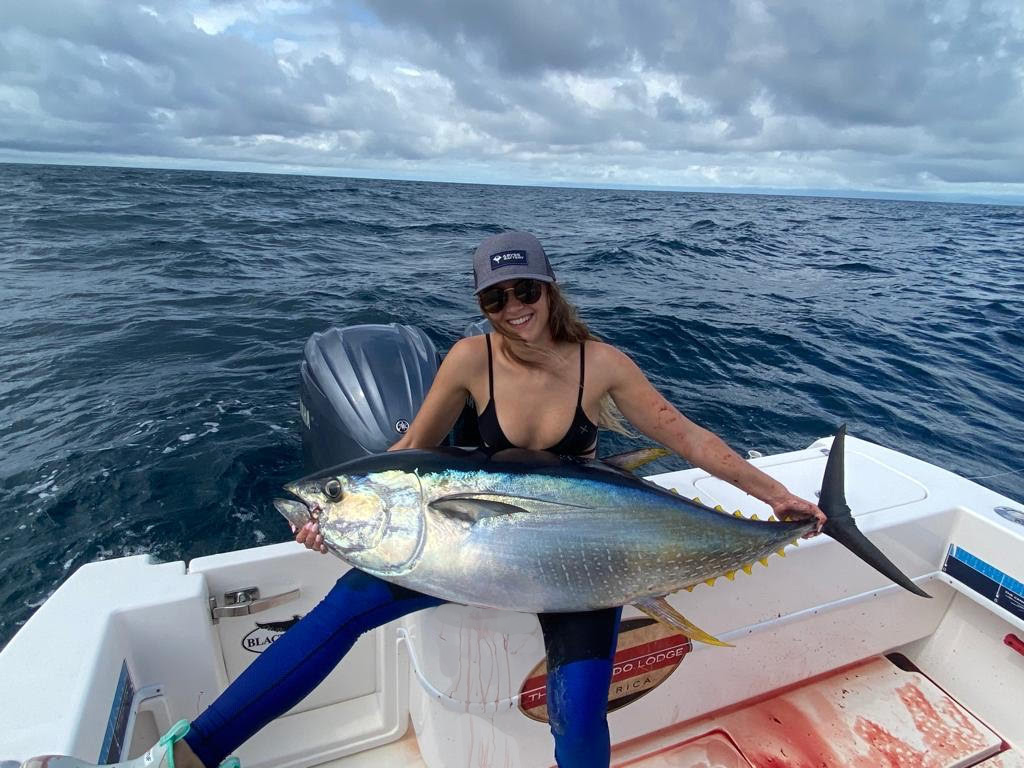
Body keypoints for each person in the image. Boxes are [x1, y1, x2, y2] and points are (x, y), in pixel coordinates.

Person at [23, 231, 824, 768]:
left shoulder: (601, 363)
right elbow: (406, 458)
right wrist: (333, 516)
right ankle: (193, 753)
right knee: (334, 618)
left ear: (549, 286)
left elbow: (685, 437)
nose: (514, 309)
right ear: (482, 306)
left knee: (579, 711)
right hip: (453, 544)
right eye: (496, 298)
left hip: (582, 550)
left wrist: (778, 496)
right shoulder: (470, 359)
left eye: (525, 290)